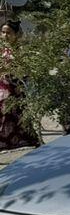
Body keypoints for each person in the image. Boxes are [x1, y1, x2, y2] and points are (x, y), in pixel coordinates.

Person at [0, 21, 39, 150]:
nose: (5, 35)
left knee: (14, 115)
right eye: (3, 32)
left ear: (16, 34)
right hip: (2, 88)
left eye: (8, 33)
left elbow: (27, 71)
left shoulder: (21, 50)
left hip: (15, 89)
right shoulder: (2, 49)